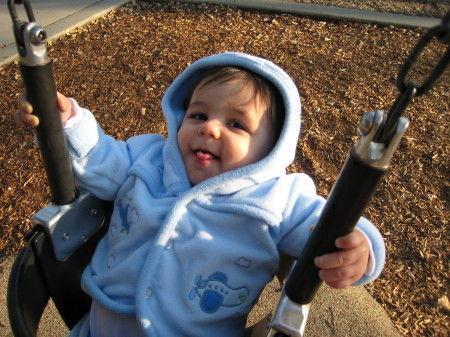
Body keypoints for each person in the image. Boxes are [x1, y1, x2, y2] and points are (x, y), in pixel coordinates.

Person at [15, 52, 385, 337]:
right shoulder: (149, 158)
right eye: (197, 115)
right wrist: (66, 123)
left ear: (271, 150)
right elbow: (98, 157)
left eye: (236, 124)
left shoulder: (278, 199)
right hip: (97, 326)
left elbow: (330, 224)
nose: (209, 128)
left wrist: (359, 247)